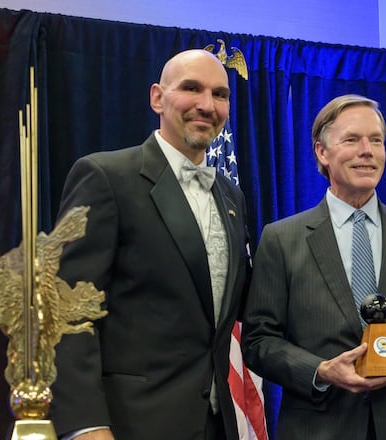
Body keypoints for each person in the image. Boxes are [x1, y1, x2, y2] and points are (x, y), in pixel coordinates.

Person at [49, 49, 252, 440]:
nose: (206, 105)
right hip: (129, 425)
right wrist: (86, 426)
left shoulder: (230, 195)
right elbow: (66, 313)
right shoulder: (105, 177)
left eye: (220, 94)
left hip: (216, 424)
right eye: (191, 88)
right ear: (157, 97)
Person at [241, 94, 386, 440]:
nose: (367, 150)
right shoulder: (281, 239)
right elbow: (259, 341)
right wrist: (321, 370)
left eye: (376, 140)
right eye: (352, 139)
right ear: (322, 152)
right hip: (317, 427)